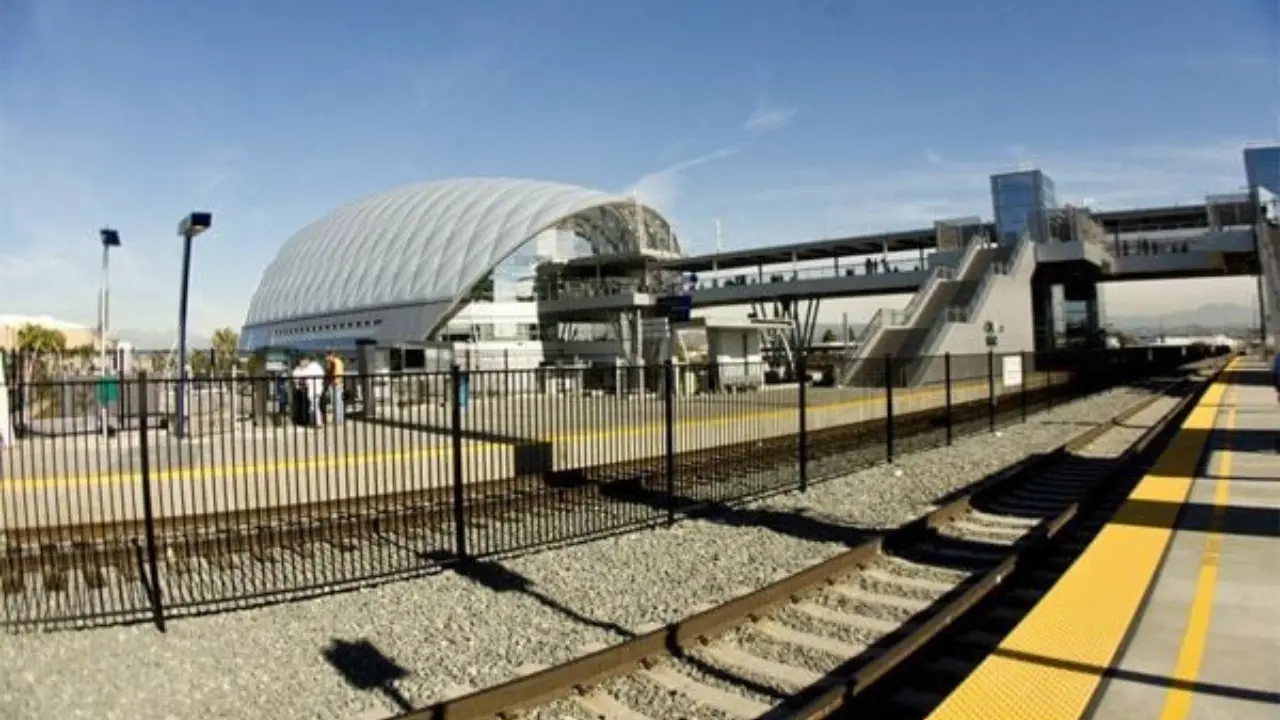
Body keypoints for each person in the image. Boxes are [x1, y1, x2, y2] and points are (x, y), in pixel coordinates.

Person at [292, 356, 326, 427]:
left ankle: (317, 422)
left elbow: (303, 376)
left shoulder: (311, 367)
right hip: (317, 389)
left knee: (314, 405)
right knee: (313, 405)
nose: (304, 362)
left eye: (305, 361)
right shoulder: (318, 367)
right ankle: (313, 421)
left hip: (313, 389)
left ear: (309, 361)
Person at [325, 351, 346, 424]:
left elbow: (336, 373)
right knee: (339, 401)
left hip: (335, 383)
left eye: (327, 356)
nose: (326, 358)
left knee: (335, 401)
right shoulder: (338, 362)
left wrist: (334, 382)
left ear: (331, 355)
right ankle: (340, 419)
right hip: (337, 383)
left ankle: (337, 419)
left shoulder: (335, 362)